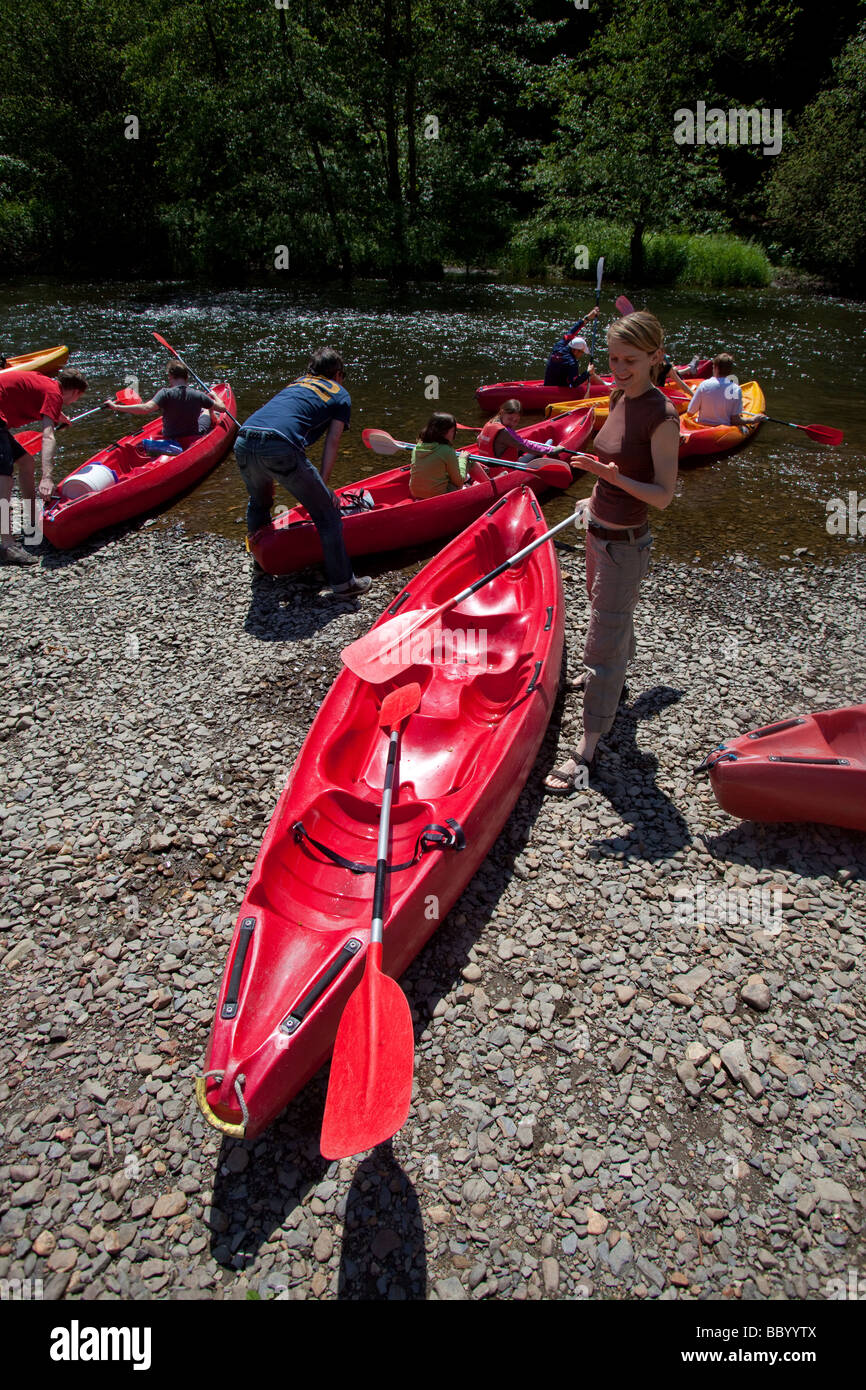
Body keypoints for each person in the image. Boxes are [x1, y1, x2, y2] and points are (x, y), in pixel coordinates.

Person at [544, 311, 680, 793]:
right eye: (613, 358)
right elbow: (614, 463)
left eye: (630, 360)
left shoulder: (663, 416)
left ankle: (586, 749)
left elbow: (663, 495)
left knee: (601, 643)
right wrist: (592, 494)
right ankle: (616, 683)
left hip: (626, 543)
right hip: (597, 529)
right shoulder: (621, 395)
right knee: (613, 619)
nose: (618, 368)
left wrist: (611, 478)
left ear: (656, 358)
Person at [234, 346, 371, 598]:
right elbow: (333, 442)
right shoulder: (340, 394)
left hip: (243, 438)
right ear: (338, 373)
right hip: (279, 445)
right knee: (327, 514)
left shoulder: (297, 383)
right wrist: (323, 487)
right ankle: (344, 584)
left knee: (260, 502)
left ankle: (261, 564)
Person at [0, 368, 88, 565]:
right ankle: (7, 545)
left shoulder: (48, 384)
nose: (75, 402)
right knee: (4, 478)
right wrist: (47, 477)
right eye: (78, 398)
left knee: (26, 462)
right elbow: (48, 436)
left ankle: (32, 518)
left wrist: (58, 414)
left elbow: (33, 393)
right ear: (75, 392)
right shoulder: (54, 393)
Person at [105, 363, 222, 443]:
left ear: (170, 377)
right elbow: (222, 408)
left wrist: (116, 407)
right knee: (206, 410)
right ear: (186, 378)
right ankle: (210, 415)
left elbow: (146, 408)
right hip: (192, 435)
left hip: (169, 436)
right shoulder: (198, 395)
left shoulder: (165, 393)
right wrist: (215, 396)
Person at [409, 413, 487, 499]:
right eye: (453, 431)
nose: (455, 433)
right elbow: (459, 481)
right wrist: (462, 458)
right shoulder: (447, 450)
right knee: (470, 461)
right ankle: (490, 486)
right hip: (438, 495)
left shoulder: (417, 447)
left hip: (415, 493)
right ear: (444, 432)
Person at [543, 310, 607, 391]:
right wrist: (588, 373)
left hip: (547, 386)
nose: (581, 355)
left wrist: (587, 318)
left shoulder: (559, 346)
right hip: (562, 392)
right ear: (576, 351)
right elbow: (574, 384)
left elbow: (572, 331)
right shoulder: (572, 362)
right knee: (592, 376)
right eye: (582, 352)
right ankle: (610, 390)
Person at [686, 354, 744, 427]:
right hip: (723, 430)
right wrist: (754, 419)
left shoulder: (704, 385)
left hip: (702, 427)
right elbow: (735, 420)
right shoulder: (736, 389)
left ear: (716, 368)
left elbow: (690, 413)